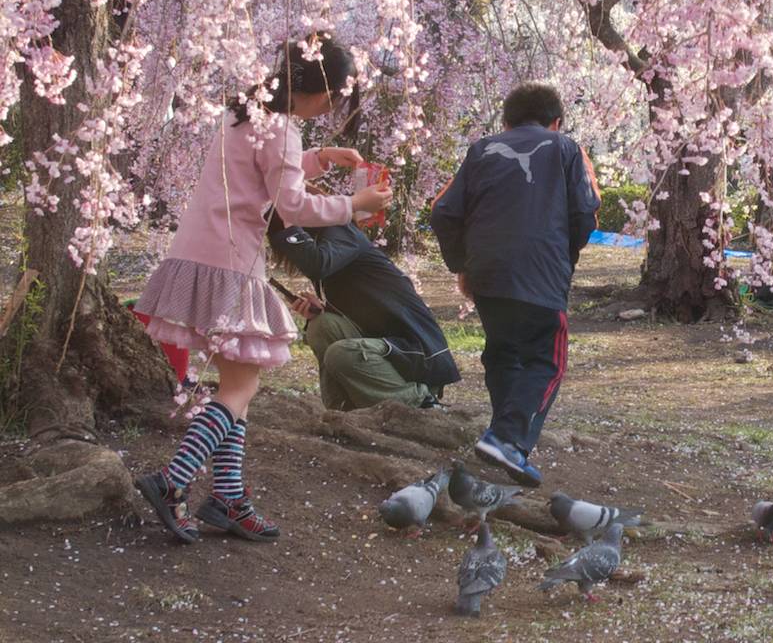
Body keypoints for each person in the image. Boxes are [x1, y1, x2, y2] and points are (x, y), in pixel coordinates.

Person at [131, 34, 393, 544]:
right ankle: (172, 481)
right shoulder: (284, 131)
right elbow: (291, 206)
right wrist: (354, 204)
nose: (332, 106)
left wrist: (319, 156)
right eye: (335, 97)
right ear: (319, 90)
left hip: (201, 253)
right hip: (231, 261)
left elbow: (263, 172)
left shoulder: (242, 114)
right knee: (242, 386)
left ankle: (228, 498)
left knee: (237, 385)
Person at [430, 82, 600, 487]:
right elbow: (586, 212)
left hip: (488, 273)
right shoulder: (567, 149)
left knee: (504, 352)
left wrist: (462, 264)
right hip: (542, 270)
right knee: (548, 360)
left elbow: (442, 212)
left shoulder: (482, 150)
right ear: (556, 122)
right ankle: (507, 439)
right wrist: (564, 256)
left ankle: (502, 438)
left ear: (505, 121)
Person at [266, 212, 461, 410]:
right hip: (385, 349)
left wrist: (288, 218)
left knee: (341, 353)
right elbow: (366, 308)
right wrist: (322, 310)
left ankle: (420, 402)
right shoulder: (331, 244)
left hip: (415, 354)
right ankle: (343, 408)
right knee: (321, 326)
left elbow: (317, 263)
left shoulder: (342, 231)